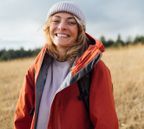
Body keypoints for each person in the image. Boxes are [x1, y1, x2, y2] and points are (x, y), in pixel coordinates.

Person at [13, 1, 119, 129]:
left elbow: (106, 123)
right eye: (56, 21)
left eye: (71, 22)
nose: (62, 27)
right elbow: (22, 118)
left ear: (80, 30)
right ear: (48, 27)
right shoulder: (35, 70)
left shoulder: (96, 70)